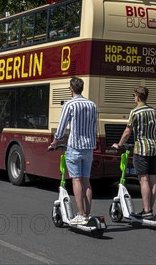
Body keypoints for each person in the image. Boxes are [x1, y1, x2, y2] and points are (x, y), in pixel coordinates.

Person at [49, 77, 97, 225]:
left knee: (76, 180)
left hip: (75, 147)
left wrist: (55, 142)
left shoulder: (69, 105)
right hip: (89, 148)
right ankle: (87, 214)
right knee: (86, 181)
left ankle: (80, 214)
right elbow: (94, 127)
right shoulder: (92, 105)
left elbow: (62, 127)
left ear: (71, 89)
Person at [112, 86, 156, 218]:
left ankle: (146, 210)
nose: (134, 98)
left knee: (143, 179)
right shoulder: (153, 111)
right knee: (152, 179)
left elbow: (128, 131)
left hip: (141, 148)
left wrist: (119, 144)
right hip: (154, 147)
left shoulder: (135, 112)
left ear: (137, 97)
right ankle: (150, 209)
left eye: (134, 96)